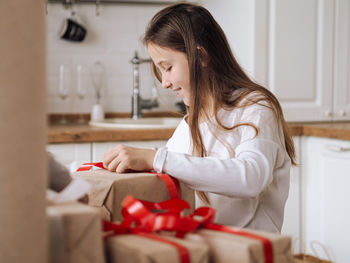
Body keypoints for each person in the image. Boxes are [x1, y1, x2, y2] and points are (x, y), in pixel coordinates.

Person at [102, 3, 296, 232]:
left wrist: (155, 159)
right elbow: (177, 174)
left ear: (201, 56)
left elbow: (250, 179)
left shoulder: (255, 107)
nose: (164, 83)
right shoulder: (188, 126)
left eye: (168, 67)